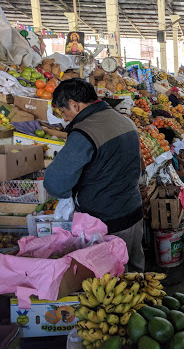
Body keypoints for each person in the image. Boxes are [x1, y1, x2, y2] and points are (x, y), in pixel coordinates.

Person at [43, 78, 144, 272]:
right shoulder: (125, 120)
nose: (64, 119)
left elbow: (55, 183)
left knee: (111, 288)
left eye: (63, 112)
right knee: (136, 278)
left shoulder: (85, 132)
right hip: (134, 213)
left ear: (74, 104)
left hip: (107, 224)